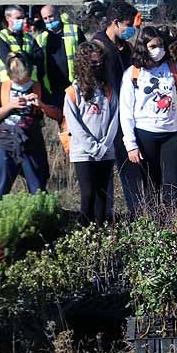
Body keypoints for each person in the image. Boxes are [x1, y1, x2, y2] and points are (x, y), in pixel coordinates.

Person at [120, 26, 177, 213]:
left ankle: (172, 223)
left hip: (171, 135)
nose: (157, 49)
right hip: (145, 134)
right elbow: (126, 112)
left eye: (160, 45)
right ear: (144, 47)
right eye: (153, 46)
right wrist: (131, 145)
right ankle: (153, 225)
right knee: (151, 183)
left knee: (172, 183)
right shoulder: (133, 73)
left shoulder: (174, 70)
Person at [0, 53, 60, 197]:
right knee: (0, 191)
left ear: (29, 69)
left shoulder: (37, 87)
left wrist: (41, 105)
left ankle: (41, 217)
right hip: (5, 144)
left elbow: (57, 115)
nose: (19, 78)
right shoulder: (2, 87)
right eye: (15, 74)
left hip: (32, 144)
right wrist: (10, 106)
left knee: (38, 190)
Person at [92, 1, 141, 218]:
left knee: (131, 171)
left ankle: (137, 216)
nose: (131, 29)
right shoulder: (97, 47)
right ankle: (103, 218)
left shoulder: (126, 47)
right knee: (103, 174)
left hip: (127, 118)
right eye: (128, 25)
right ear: (115, 22)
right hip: (105, 120)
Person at [64, 42, 118, 224]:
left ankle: (100, 231)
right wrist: (92, 147)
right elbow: (74, 125)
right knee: (88, 194)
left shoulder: (108, 89)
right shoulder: (73, 92)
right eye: (92, 64)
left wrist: (104, 146)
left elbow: (114, 119)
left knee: (103, 194)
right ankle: (84, 232)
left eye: (99, 63)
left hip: (105, 151)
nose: (97, 66)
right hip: (83, 152)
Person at [33, 4, 85, 109]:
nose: (49, 20)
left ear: (59, 15)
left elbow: (85, 56)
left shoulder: (74, 30)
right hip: (54, 87)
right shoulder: (41, 39)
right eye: (45, 18)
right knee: (62, 120)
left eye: (51, 16)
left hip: (74, 83)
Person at [0, 5, 41, 83]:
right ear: (8, 18)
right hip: (11, 84)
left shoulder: (29, 38)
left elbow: (39, 57)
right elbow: (9, 60)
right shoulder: (0, 38)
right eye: (18, 18)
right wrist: (27, 56)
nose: (22, 21)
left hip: (31, 83)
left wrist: (22, 55)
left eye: (22, 18)